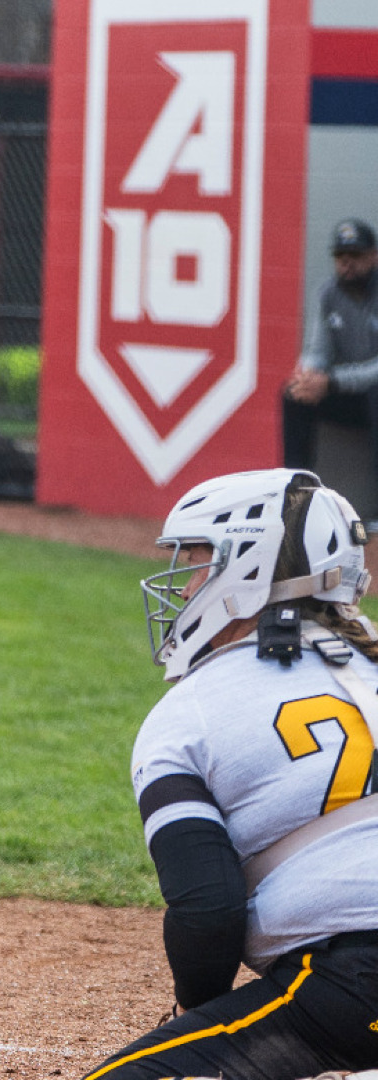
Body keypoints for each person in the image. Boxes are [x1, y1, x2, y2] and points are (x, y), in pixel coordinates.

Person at [86, 468, 378, 1080]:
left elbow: (209, 910)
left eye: (197, 565)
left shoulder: (189, 711)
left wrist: (197, 1008)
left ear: (245, 571)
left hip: (355, 988)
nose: (186, 586)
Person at [282, 219, 378, 484]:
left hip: (369, 391)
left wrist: (333, 381)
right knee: (294, 394)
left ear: (373, 257)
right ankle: (297, 493)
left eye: (355, 255)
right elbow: (318, 350)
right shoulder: (327, 294)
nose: (346, 263)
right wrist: (309, 375)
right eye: (340, 256)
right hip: (348, 394)